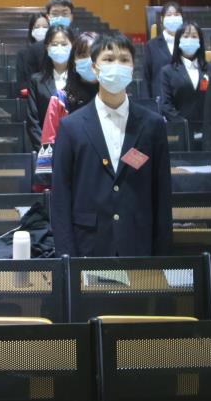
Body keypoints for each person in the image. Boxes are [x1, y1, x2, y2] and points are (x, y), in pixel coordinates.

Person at [51, 33, 172, 257]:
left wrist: (162, 256)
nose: (117, 65)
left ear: (133, 68)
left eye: (124, 59)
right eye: (108, 59)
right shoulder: (70, 127)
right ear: (94, 68)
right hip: (88, 246)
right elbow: (60, 197)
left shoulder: (153, 125)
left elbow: (162, 195)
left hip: (138, 245)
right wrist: (66, 257)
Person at [159, 21, 211, 144]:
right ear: (178, 41)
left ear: (200, 41)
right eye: (186, 36)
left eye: (194, 36)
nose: (190, 39)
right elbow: (165, 105)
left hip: (208, 131)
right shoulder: (168, 71)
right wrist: (183, 124)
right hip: (181, 132)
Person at [26, 25, 73, 151]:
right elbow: (33, 122)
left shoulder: (79, 79)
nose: (59, 48)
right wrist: (46, 150)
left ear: (72, 46)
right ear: (47, 47)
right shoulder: (36, 81)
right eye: (54, 44)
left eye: (64, 44)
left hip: (77, 149)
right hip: (46, 149)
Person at [142, 1, 183, 100]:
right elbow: (146, 78)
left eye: (176, 14)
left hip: (183, 100)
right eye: (169, 15)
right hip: (160, 100)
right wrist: (147, 104)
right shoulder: (151, 45)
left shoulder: (187, 43)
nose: (173, 18)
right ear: (162, 19)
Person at [15, 11, 52, 93]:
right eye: (37, 27)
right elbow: (21, 83)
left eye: (45, 27)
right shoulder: (22, 53)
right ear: (31, 30)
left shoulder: (55, 52)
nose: (41, 29)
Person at [65, 31, 100, 114]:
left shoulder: (114, 97)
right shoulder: (61, 99)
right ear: (73, 62)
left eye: (94, 55)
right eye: (83, 56)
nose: (90, 61)